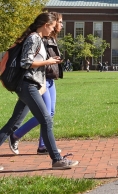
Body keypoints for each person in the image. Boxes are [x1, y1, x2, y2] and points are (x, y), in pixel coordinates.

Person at [0, 12, 78, 169]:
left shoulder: (39, 39)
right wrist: (47, 61)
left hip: (31, 85)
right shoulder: (34, 38)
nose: (53, 29)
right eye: (52, 26)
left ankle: (56, 159)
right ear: (45, 25)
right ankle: (57, 159)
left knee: (13, 124)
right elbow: (25, 62)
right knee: (46, 119)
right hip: (27, 85)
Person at [9, 13, 64, 155]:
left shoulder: (48, 38)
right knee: (44, 116)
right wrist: (49, 62)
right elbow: (28, 62)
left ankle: (42, 146)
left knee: (47, 114)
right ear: (49, 24)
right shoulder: (38, 38)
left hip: (47, 79)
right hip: (36, 81)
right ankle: (16, 135)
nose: (61, 25)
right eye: (59, 22)